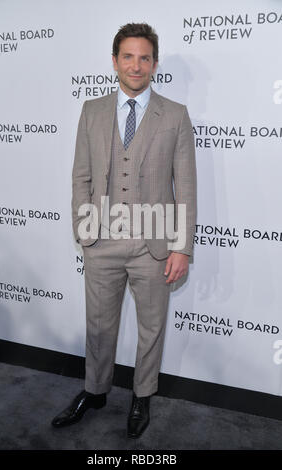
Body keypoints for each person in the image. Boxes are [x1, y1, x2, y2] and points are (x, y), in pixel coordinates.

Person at [52, 23, 196, 438]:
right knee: (99, 324)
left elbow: (185, 186)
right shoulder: (92, 111)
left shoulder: (175, 115)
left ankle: (142, 396)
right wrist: (85, 229)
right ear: (114, 61)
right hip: (102, 240)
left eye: (144, 57)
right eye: (128, 56)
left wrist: (181, 247)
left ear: (154, 64)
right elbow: (81, 176)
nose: (136, 65)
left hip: (154, 243)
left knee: (152, 327)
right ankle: (94, 392)